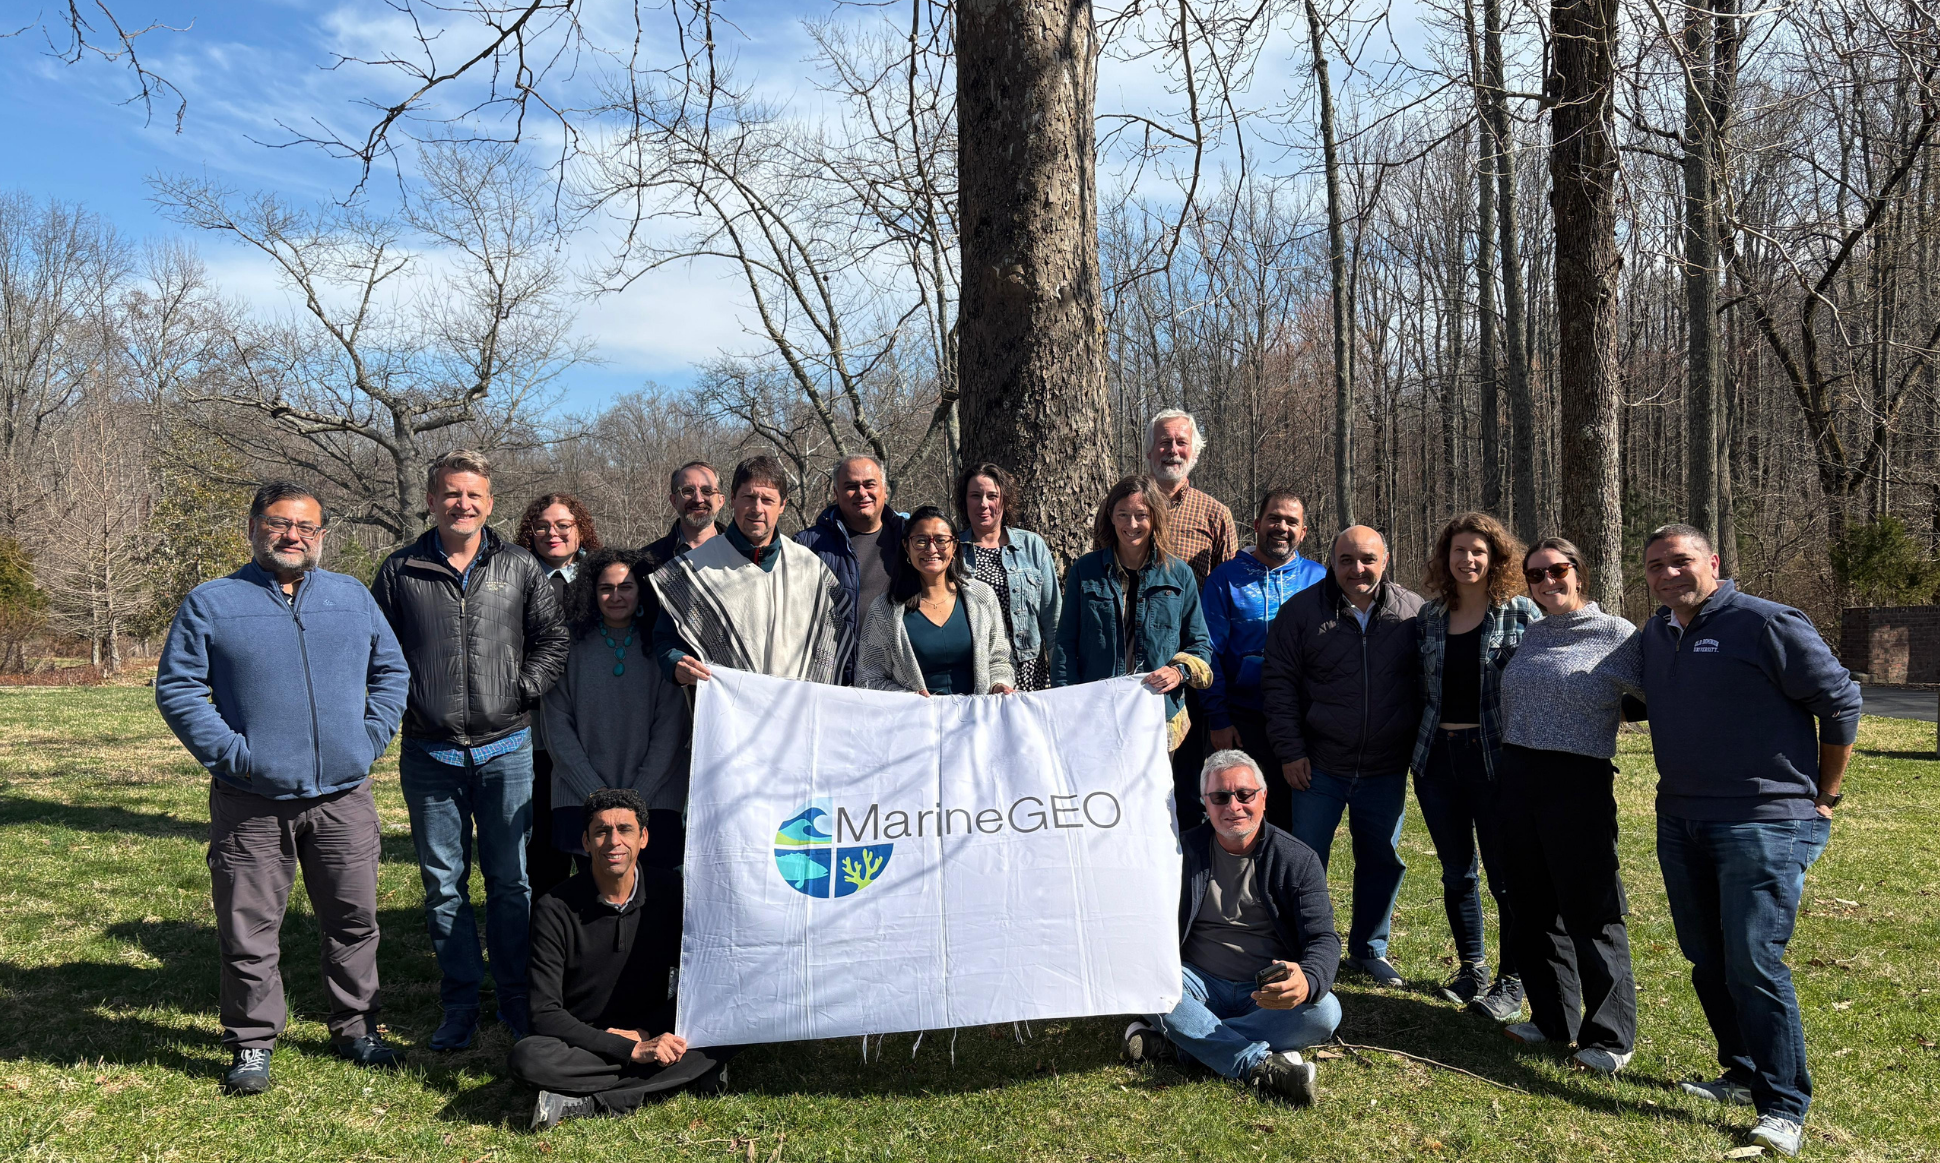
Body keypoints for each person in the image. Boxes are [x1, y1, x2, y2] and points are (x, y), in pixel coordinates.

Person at [156, 481, 411, 1095]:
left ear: (321, 536)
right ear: (254, 528)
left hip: (342, 797)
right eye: (279, 523)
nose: (292, 535)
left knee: (353, 920)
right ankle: (251, 1042)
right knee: (249, 927)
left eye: (306, 527)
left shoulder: (351, 596)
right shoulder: (212, 602)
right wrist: (237, 757)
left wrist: (367, 738)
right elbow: (180, 688)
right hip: (251, 801)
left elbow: (391, 670)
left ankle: (356, 1026)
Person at [1641, 524, 1860, 1158]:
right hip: (1680, 817)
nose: (1668, 575)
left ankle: (1784, 1104)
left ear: (1713, 561)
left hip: (1765, 820)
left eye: (1680, 561)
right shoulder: (1657, 633)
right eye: (1655, 566)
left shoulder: (1766, 622)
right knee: (1705, 955)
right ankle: (1740, 1070)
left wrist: (1827, 792)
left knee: (1754, 959)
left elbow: (1841, 701)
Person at [371, 449, 571, 1051]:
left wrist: (523, 687)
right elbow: (375, 648)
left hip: (505, 746)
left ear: (490, 502)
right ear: (431, 501)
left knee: (510, 881)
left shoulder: (518, 567)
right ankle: (459, 999)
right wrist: (406, 699)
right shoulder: (401, 570)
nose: (463, 504)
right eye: (451, 494)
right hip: (430, 752)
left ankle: (514, 996)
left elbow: (552, 638)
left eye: (474, 495)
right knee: (443, 882)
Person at [1496, 537, 1643, 1074]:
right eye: (1535, 575)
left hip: (1577, 782)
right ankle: (1553, 1019)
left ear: (1580, 574)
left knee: (1592, 912)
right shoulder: (1532, 634)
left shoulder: (1618, 635)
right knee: (1531, 908)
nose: (1547, 582)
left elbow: (1658, 697)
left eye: (1558, 571)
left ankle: (1609, 1037)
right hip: (1518, 777)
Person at [1122, 750, 1341, 1106]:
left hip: (1265, 991)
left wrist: (1309, 979)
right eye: (1220, 797)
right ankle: (1257, 1064)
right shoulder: (1178, 853)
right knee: (1147, 980)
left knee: (1326, 1010)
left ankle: (1183, 1044)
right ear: (1204, 803)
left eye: (1244, 794)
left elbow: (1323, 938)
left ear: (1264, 797)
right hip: (1198, 982)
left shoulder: (1298, 860)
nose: (1234, 806)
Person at [1260, 526, 1424, 987]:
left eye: (1368, 559)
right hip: (1319, 766)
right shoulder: (1301, 613)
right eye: (1347, 559)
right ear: (1332, 561)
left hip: (1385, 767)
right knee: (1305, 860)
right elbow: (1278, 687)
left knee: (1381, 858)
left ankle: (1369, 949)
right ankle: (1301, 947)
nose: (1358, 569)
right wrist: (1290, 752)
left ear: (1385, 560)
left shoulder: (1413, 614)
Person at [510, 788, 729, 1131]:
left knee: (729, 1026)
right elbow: (543, 1012)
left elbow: (699, 982)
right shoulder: (554, 907)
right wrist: (628, 1050)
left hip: (654, 1026)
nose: (614, 841)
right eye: (602, 831)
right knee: (528, 1058)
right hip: (584, 1038)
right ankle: (678, 1075)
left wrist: (645, 1034)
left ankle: (592, 1099)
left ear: (643, 838)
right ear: (585, 841)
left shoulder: (671, 890)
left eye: (625, 830)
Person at [1411, 512, 1540, 1021]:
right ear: (1446, 558)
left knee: (1505, 874)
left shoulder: (1520, 613)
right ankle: (1472, 968)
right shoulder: (1428, 616)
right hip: (1436, 760)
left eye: (1479, 552)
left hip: (1496, 761)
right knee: (1456, 870)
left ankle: (1513, 979)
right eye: (1459, 551)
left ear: (1496, 559)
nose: (1468, 560)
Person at [1050, 474, 1213, 767]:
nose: (1132, 525)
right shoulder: (1085, 571)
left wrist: (1178, 672)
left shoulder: (1179, 575)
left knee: (1151, 805)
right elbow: (1064, 646)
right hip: (1095, 712)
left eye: (1141, 515)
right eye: (1123, 514)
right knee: (1100, 800)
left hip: (1158, 714)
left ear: (1155, 518)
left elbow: (1200, 645)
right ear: (1111, 516)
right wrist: (1066, 705)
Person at [544, 549, 690, 871]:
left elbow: (670, 730)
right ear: (591, 592)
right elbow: (556, 725)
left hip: (656, 799)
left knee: (654, 905)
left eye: (626, 587)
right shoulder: (569, 643)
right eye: (605, 588)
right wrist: (596, 796)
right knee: (593, 905)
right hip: (580, 797)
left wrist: (635, 799)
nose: (615, 596)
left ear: (642, 591)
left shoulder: (663, 648)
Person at [651, 455, 854, 687]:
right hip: (729, 713)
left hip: (797, 710)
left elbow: (837, 637)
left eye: (767, 500)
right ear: (732, 500)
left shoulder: (809, 566)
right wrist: (676, 664)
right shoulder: (693, 569)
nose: (757, 509)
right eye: (748, 497)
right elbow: (666, 640)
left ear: (783, 505)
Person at [1202, 489, 1327, 834]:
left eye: (1291, 522)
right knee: (1238, 817)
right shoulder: (1226, 579)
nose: (1281, 527)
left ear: (1303, 532)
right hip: (1242, 721)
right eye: (1274, 518)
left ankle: (1286, 885)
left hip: (1303, 721)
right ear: (1257, 524)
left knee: (1292, 821)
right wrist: (1218, 718)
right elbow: (1207, 651)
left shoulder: (1320, 580)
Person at [518, 493, 603, 896]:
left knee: (595, 845)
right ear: (529, 533)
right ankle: (546, 935)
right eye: (543, 526)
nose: (553, 533)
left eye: (563, 525)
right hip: (533, 728)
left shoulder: (603, 577)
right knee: (543, 849)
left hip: (594, 724)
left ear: (580, 529)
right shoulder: (512, 575)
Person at [856, 505, 1017, 696]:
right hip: (914, 721)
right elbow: (867, 678)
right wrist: (907, 697)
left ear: (954, 546)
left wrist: (998, 684)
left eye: (941, 540)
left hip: (976, 719)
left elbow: (1000, 660)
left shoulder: (982, 597)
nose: (932, 549)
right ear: (907, 546)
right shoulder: (884, 609)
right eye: (921, 541)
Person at [795, 454, 905, 681]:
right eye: (851, 486)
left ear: (884, 489)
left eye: (869, 484)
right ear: (836, 494)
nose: (862, 493)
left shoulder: (911, 539)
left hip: (899, 680)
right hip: (832, 681)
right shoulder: (806, 546)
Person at [956, 463, 1061, 690]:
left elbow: (1053, 620)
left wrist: (1063, 678)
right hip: (976, 672)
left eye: (992, 495)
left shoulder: (1032, 546)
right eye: (975, 495)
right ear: (965, 501)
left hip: (1030, 671)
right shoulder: (952, 550)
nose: (984, 503)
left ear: (1005, 500)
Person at [1144, 409, 1238, 585]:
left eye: (1181, 442)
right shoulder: (1123, 507)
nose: (1173, 450)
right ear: (1149, 451)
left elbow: (1228, 588)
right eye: (1165, 442)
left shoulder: (1216, 515)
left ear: (1194, 453)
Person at [638, 460, 727, 631]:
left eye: (707, 491)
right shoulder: (646, 562)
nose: (698, 499)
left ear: (721, 500)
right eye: (687, 491)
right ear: (674, 500)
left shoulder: (742, 555)